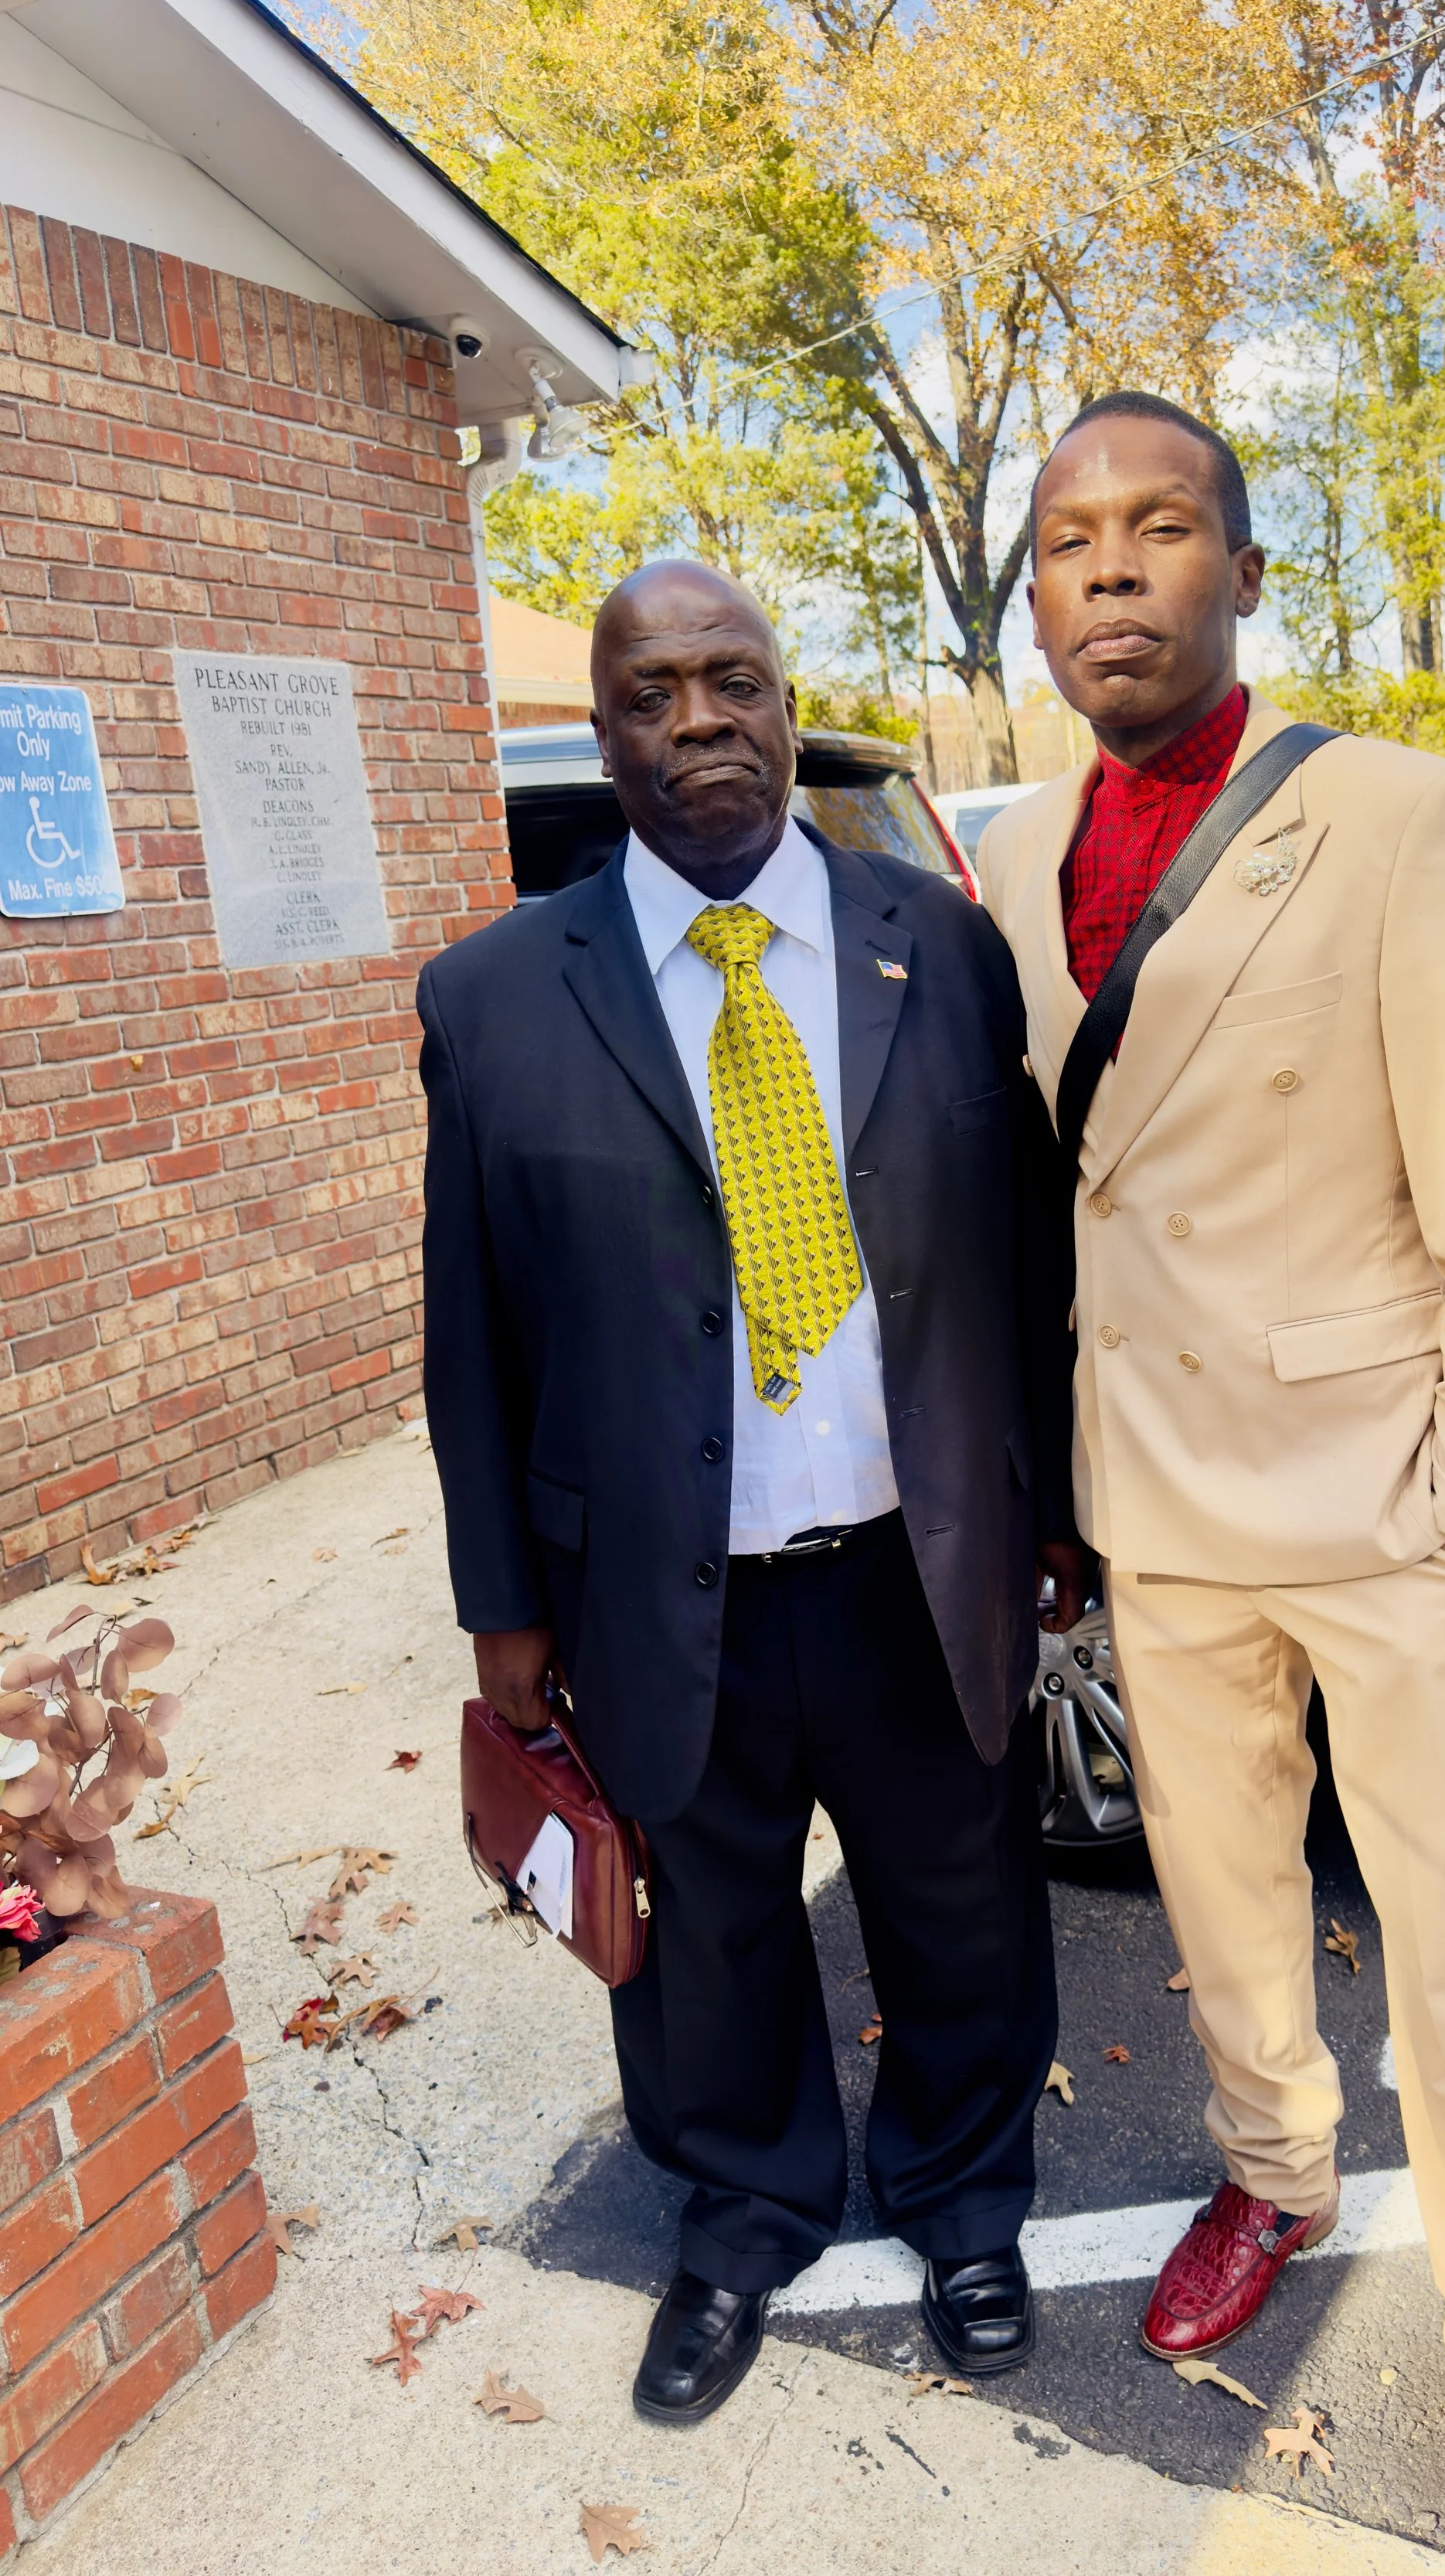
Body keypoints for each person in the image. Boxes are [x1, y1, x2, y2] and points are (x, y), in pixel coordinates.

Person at [974, 392, 1445, 2576]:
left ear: (1245, 572)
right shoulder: (999, 860)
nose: (1113, 570)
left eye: (1162, 528)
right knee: (1229, 1909)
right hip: (1151, 1505)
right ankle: (1271, 2169)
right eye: (1069, 541)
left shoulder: (1395, 818)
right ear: (1036, 598)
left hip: (1376, 1498)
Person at [417, 561, 1083, 2425]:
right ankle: (744, 2210)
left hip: (908, 1563)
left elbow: (1019, 1260)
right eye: (650, 691)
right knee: (703, 1935)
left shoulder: (935, 949)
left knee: (960, 1906)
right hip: (649, 1580)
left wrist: (1052, 1509)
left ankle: (963, 2201)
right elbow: (467, 1335)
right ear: (602, 731)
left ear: (786, 699)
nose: (698, 717)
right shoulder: (489, 997)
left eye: (733, 678)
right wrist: (503, 1615)